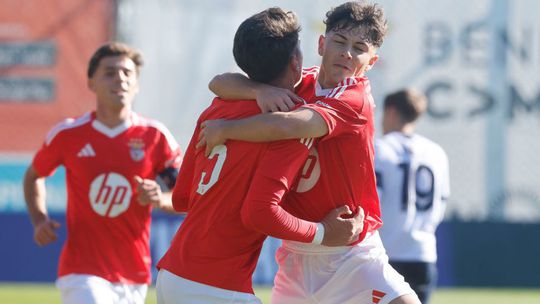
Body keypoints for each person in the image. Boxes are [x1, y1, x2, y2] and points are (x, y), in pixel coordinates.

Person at [200, 2, 421, 304]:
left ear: (371, 62)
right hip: (296, 253)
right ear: (321, 43)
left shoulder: (355, 98)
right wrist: (258, 91)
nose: (346, 53)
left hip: (351, 253)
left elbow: (289, 126)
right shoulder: (300, 80)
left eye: (359, 48)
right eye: (339, 41)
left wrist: (226, 129)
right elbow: (219, 83)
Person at [156, 7, 363, 304]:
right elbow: (259, 212)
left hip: (171, 276)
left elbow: (181, 198)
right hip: (216, 287)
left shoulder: (215, 109)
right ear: (295, 60)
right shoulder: (288, 122)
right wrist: (324, 233)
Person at [23, 42, 182, 304]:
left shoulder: (155, 136)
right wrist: (39, 219)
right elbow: (33, 176)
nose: (119, 78)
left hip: (134, 274)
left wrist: (160, 199)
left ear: (136, 85)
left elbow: (184, 194)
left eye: (127, 73)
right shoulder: (68, 134)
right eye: (109, 72)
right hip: (81, 271)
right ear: (91, 83)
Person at [375, 88, 450, 304]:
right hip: (423, 254)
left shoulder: (380, 148)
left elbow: (373, 201)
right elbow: (441, 202)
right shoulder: (436, 152)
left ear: (390, 111)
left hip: (385, 253)